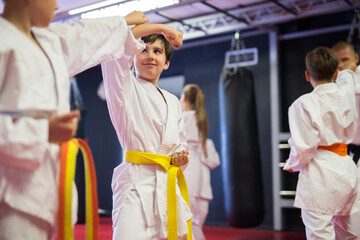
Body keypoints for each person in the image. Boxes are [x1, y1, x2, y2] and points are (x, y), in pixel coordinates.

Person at [0, 0, 149, 238]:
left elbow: (80, 34)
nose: (57, 6)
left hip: (51, 186)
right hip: (10, 198)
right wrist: (42, 132)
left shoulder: (47, 40)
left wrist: (122, 23)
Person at [100, 22, 193, 239]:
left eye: (157, 51)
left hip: (167, 188)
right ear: (133, 58)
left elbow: (180, 147)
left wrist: (180, 158)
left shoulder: (173, 101)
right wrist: (165, 30)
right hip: (135, 187)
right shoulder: (124, 88)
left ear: (166, 63)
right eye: (143, 50)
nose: (150, 55)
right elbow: (118, 46)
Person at [283, 47, 360, 239]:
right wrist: (349, 66)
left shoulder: (303, 103)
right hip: (346, 169)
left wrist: (292, 164)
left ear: (307, 75)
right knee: (350, 234)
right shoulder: (347, 93)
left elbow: (304, 147)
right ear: (336, 72)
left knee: (320, 235)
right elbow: (348, 78)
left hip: (320, 173)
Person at [180, 84, 220, 240]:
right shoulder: (199, 119)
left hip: (192, 176)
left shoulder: (183, 117)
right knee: (192, 223)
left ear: (183, 98)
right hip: (196, 179)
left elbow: (213, 161)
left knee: (188, 222)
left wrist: (202, 146)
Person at [332, 41, 360, 239]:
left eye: (345, 60)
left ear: (356, 58)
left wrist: (346, 77)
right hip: (344, 154)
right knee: (344, 212)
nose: (341, 65)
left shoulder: (350, 80)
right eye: (337, 62)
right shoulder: (334, 83)